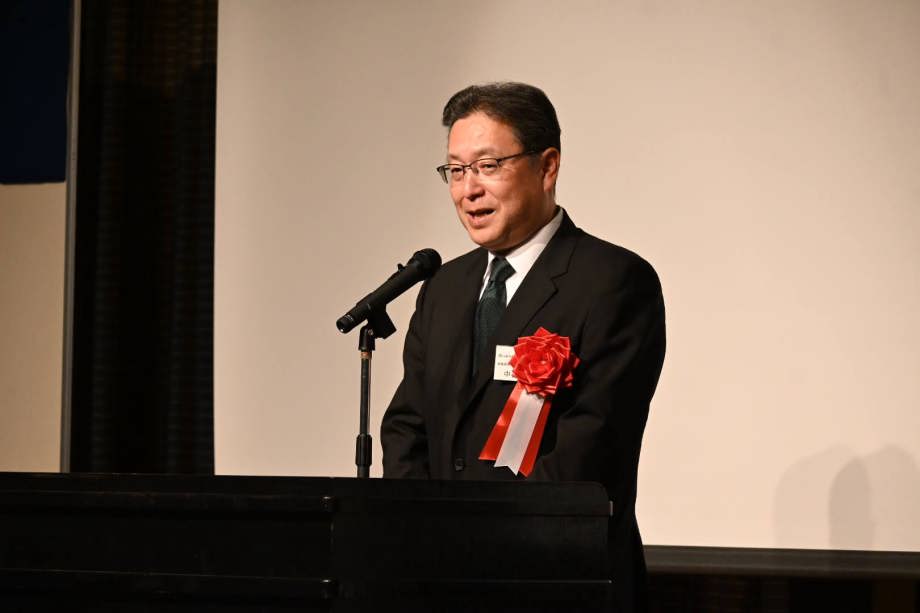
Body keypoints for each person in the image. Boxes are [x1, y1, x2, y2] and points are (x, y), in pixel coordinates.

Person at [381, 82, 666, 612]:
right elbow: (407, 427)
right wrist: (421, 536)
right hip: (441, 583)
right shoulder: (443, 288)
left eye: (488, 166)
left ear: (547, 166)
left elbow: (592, 443)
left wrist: (482, 548)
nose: (469, 190)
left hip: (559, 581)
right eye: (456, 170)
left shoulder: (613, 281)